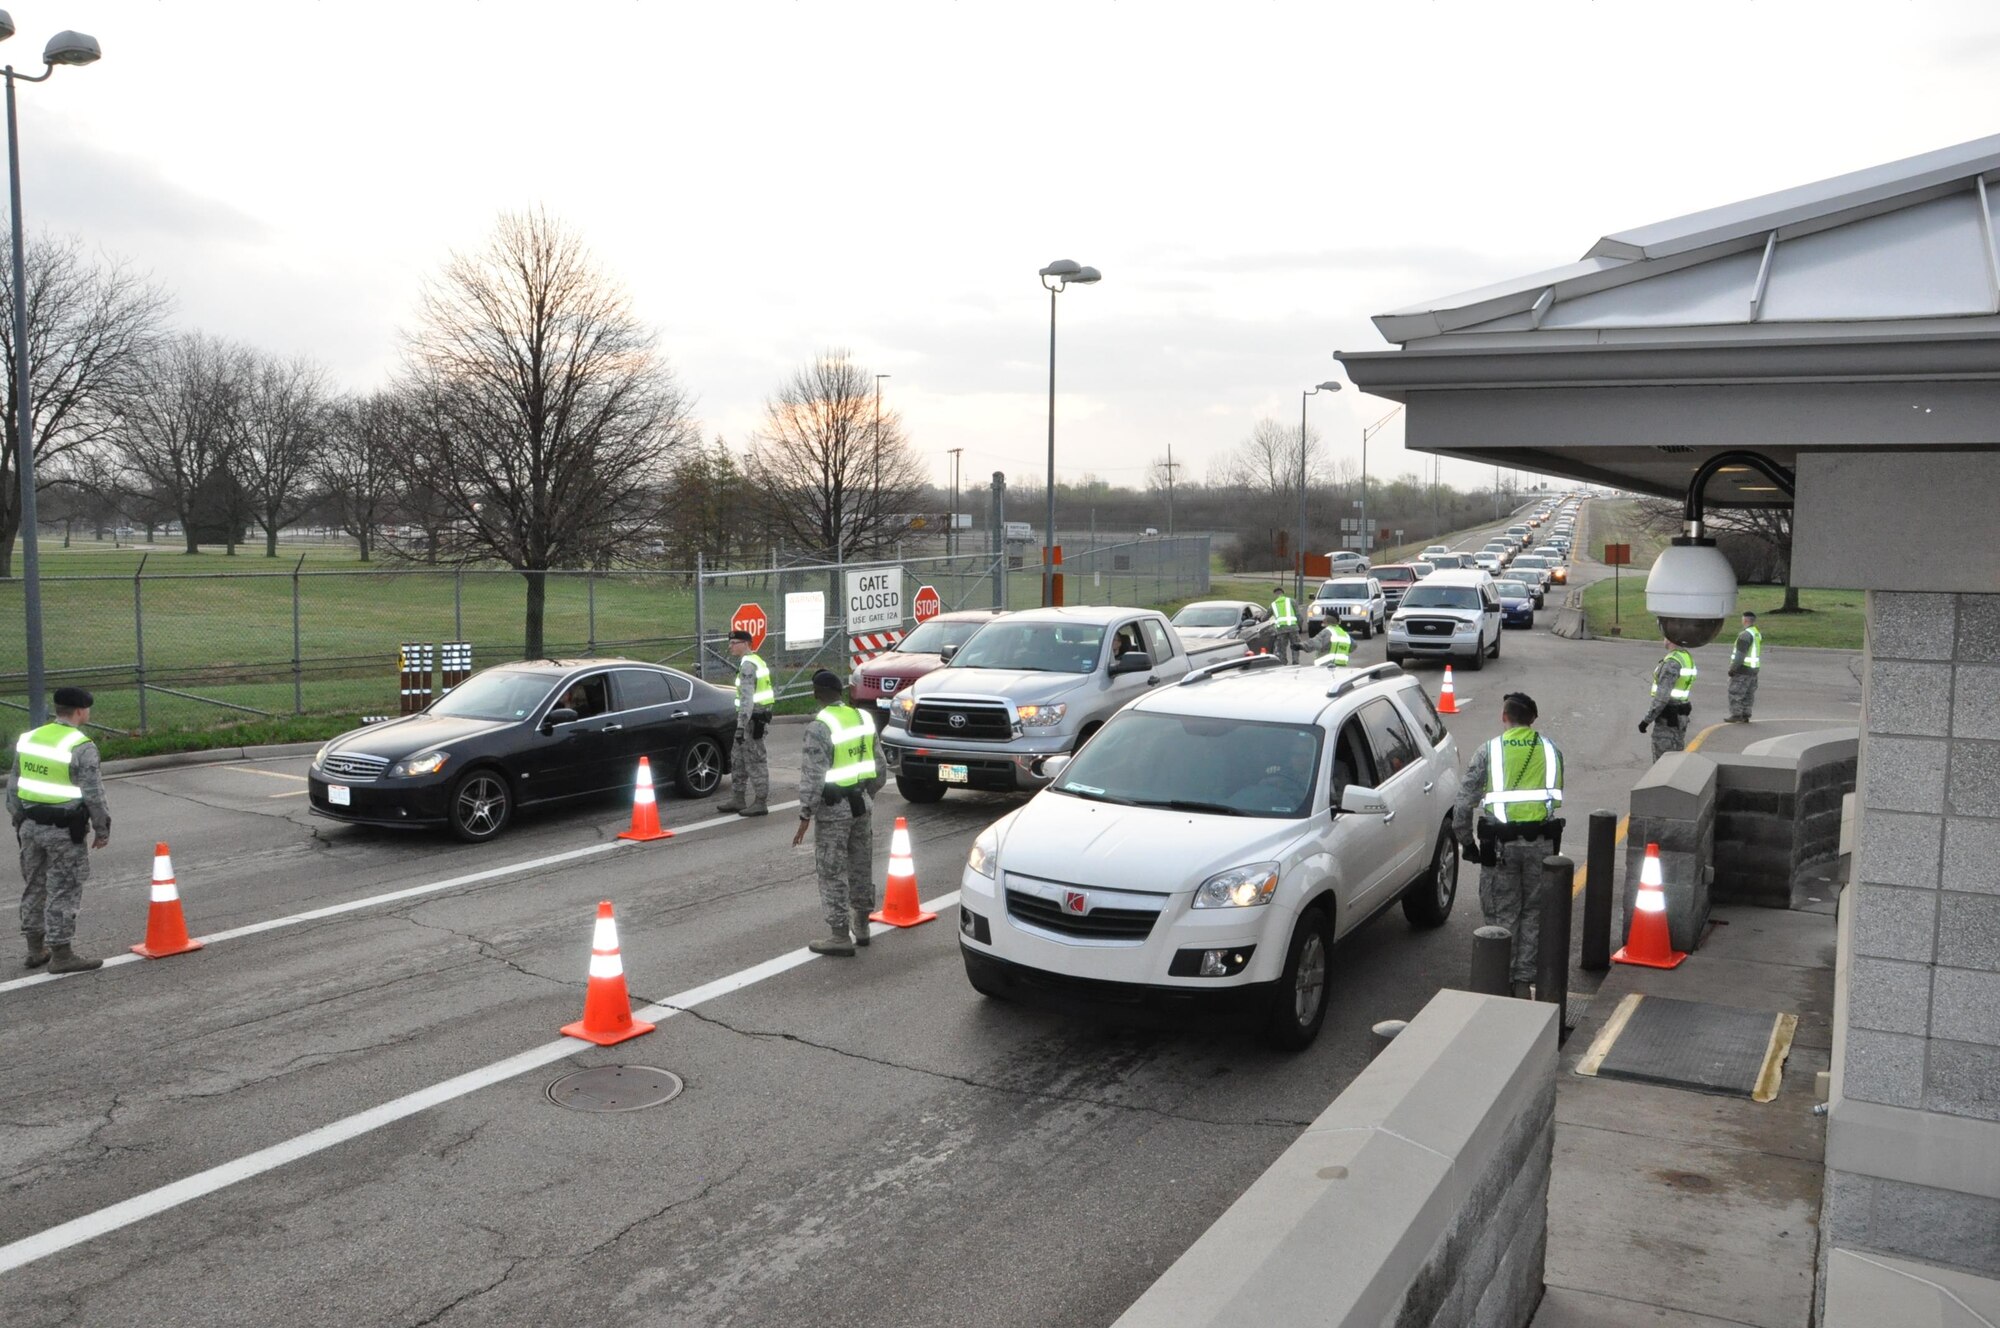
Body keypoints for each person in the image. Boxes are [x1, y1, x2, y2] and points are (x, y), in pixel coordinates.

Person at [1454, 691, 1564, 998]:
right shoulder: (1551, 749)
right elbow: (1555, 797)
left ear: (1504, 717)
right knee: (1533, 913)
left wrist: (1467, 844)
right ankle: (1522, 983)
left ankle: (1499, 984)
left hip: (1501, 848)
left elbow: (1462, 807)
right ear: (1533, 720)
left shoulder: (1489, 751)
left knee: (1502, 915)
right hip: (1541, 845)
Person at [10, 687, 112, 973]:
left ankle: (34, 950)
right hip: (64, 830)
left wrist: (19, 820)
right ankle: (62, 954)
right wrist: (102, 829)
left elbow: (14, 784)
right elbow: (94, 794)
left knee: (35, 886)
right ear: (81, 711)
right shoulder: (81, 745)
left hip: (30, 825)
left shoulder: (30, 738)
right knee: (64, 889)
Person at [791, 669, 886, 956]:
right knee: (860, 865)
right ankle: (863, 926)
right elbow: (880, 766)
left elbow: (813, 776)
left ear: (817, 693)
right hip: (861, 803)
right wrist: (868, 793)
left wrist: (805, 815)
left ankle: (838, 934)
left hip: (834, 809)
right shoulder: (862, 718)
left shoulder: (820, 726)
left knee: (832, 870)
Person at [720, 630, 775, 816]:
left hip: (752, 721)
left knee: (755, 761)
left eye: (734, 642)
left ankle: (760, 802)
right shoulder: (753, 662)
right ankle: (738, 798)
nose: (731, 646)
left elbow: (747, 699)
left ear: (745, 644)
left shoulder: (749, 666)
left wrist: (741, 726)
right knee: (738, 759)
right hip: (750, 719)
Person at [1638, 635, 1698, 760]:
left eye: (1665, 637)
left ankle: (1663, 780)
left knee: (1663, 759)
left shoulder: (1672, 662)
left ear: (1670, 640)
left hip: (1668, 719)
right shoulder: (1686, 657)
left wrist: (1646, 721)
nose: (1663, 640)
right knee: (1675, 758)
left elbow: (1662, 697)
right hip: (1680, 717)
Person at [1727, 611, 1763, 723]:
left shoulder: (1745, 635)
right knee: (1749, 693)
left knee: (1736, 692)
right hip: (1753, 669)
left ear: (1745, 620)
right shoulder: (1756, 633)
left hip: (1743, 669)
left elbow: (1740, 655)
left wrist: (1733, 668)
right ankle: (1746, 714)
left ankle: (1736, 714)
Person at [1269, 586, 1298, 663]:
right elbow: (1298, 615)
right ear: (1283, 593)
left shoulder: (1273, 604)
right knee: (1295, 645)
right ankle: (1295, 661)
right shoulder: (1292, 601)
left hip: (1281, 629)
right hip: (1293, 628)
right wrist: (1298, 626)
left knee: (1282, 647)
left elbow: (1265, 617)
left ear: (1274, 594)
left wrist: (1260, 618)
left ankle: (1283, 662)